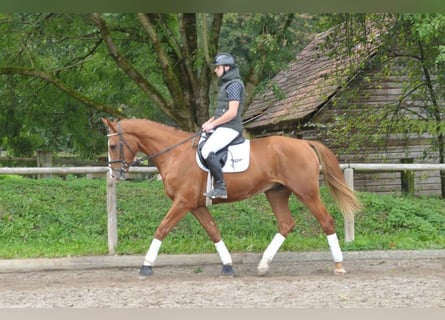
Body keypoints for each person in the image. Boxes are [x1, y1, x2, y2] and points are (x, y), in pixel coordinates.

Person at [201, 53, 245, 199]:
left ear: (227, 67)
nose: (215, 70)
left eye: (217, 67)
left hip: (231, 127)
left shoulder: (234, 85)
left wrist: (213, 124)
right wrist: (210, 121)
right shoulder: (227, 84)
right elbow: (222, 111)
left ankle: (220, 187)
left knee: (207, 150)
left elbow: (232, 113)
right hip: (224, 125)